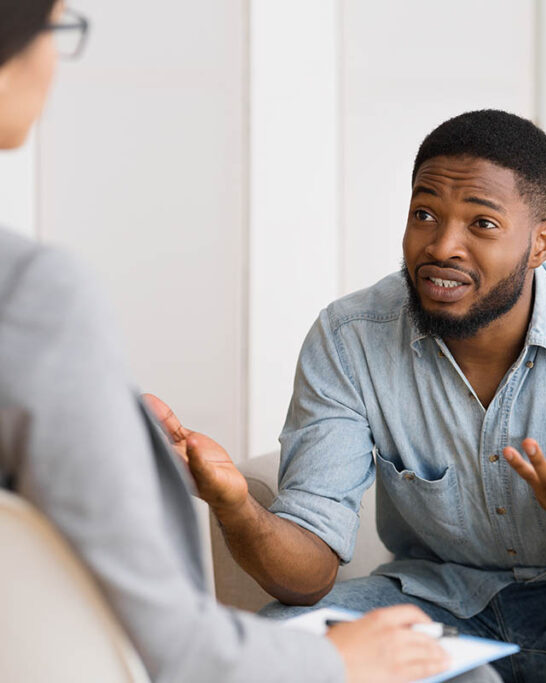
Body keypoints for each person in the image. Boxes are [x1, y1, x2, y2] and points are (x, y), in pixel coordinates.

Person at [153, 108, 546, 682]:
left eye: (482, 224)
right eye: (424, 214)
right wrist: (234, 504)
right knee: (283, 642)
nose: (442, 246)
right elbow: (306, 578)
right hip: (431, 602)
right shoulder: (350, 338)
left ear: (540, 244)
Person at [0, 2, 473, 681]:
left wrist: (102, 420)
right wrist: (336, 660)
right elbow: (176, 643)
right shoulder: (33, 294)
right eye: (52, 29)